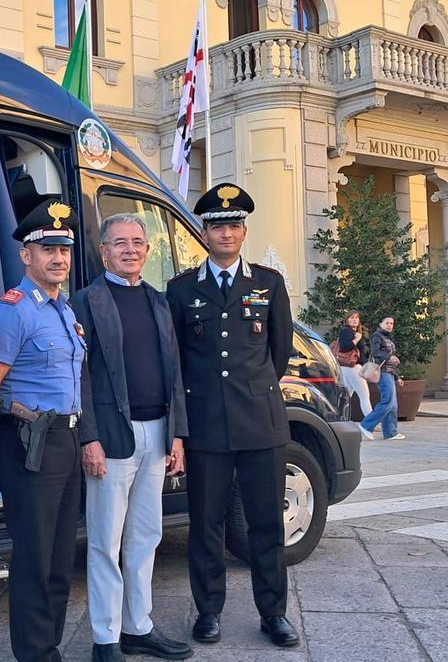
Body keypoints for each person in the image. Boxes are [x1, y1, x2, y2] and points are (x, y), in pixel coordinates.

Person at [165, 182, 300, 649]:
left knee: (266, 522)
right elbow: (177, 358)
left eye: (234, 225)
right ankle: (208, 611)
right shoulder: (181, 289)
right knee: (206, 523)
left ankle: (274, 613)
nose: (226, 233)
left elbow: (278, 352)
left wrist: (248, 388)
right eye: (218, 225)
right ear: (203, 233)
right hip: (205, 425)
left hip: (260, 421)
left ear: (244, 232)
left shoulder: (268, 283)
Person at [70, 213, 191, 662]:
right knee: (106, 541)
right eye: (119, 242)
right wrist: (89, 437)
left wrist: (178, 433)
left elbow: (173, 371)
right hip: (111, 438)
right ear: (104, 251)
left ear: (147, 249)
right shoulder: (85, 301)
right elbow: (77, 374)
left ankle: (139, 626)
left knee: (146, 536)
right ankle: (106, 639)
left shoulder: (158, 301)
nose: (130, 249)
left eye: (138, 242)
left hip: (158, 433)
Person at [0, 199, 86, 662]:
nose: (58, 258)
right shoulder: (14, 310)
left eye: (64, 248)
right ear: (26, 255)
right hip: (29, 444)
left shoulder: (64, 310)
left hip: (65, 440)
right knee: (35, 556)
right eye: (47, 249)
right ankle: (33, 652)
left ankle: (50, 646)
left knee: (62, 557)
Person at [360, 316, 405, 441]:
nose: (390, 325)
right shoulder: (377, 336)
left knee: (393, 404)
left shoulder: (387, 337)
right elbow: (375, 353)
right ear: (380, 323)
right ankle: (366, 425)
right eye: (387, 323)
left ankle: (391, 433)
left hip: (389, 372)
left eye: (391, 323)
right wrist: (389, 357)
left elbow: (389, 361)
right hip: (382, 373)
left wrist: (396, 377)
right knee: (387, 402)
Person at [336, 311, 373, 419]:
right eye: (351, 318)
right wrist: (356, 339)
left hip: (350, 367)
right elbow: (344, 347)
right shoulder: (346, 331)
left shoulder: (355, 332)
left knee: (346, 395)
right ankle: (370, 423)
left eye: (356, 318)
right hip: (352, 367)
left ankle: (339, 417)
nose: (355, 320)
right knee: (364, 395)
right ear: (347, 320)